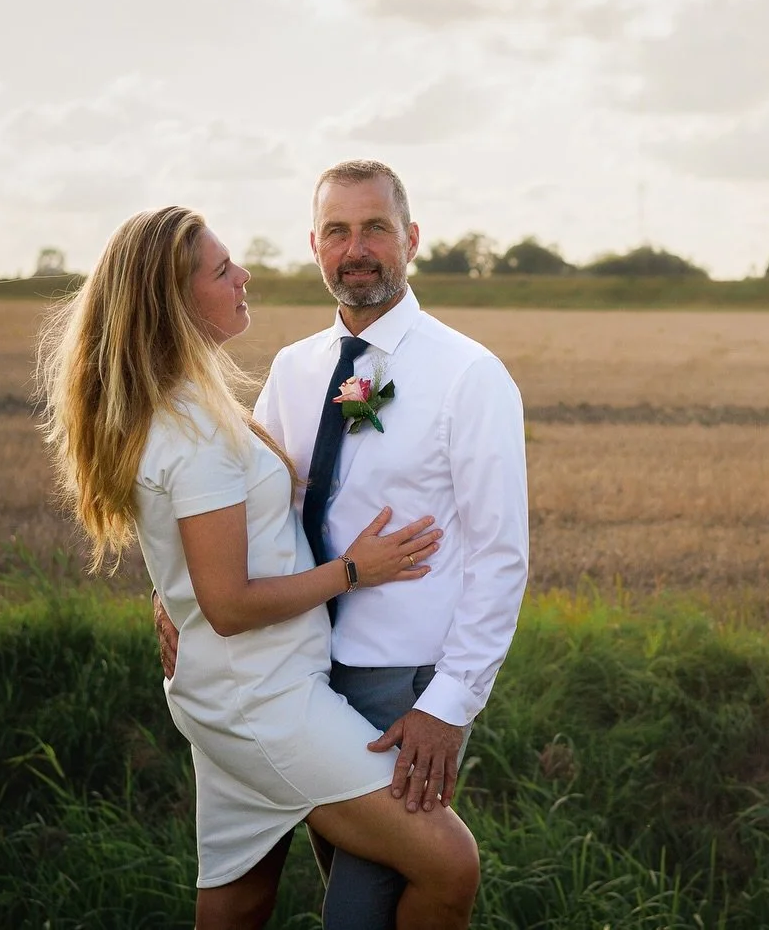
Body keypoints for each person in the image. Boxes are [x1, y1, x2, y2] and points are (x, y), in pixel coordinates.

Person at [36, 205, 482, 930]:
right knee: (448, 862)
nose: (243, 275)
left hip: (233, 687)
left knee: (239, 902)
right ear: (175, 302)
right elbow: (229, 602)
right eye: (221, 270)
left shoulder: (185, 401)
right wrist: (352, 571)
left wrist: (170, 593)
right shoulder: (196, 428)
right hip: (264, 700)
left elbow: (201, 548)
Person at [154, 159, 531, 928]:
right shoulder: (294, 371)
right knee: (315, 895)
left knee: (366, 907)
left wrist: (449, 705)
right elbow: (245, 508)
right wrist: (172, 592)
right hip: (294, 671)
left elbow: (502, 557)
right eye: (337, 231)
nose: (355, 248)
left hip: (398, 685)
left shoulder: (469, 375)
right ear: (315, 246)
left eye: (375, 228)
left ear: (412, 239)